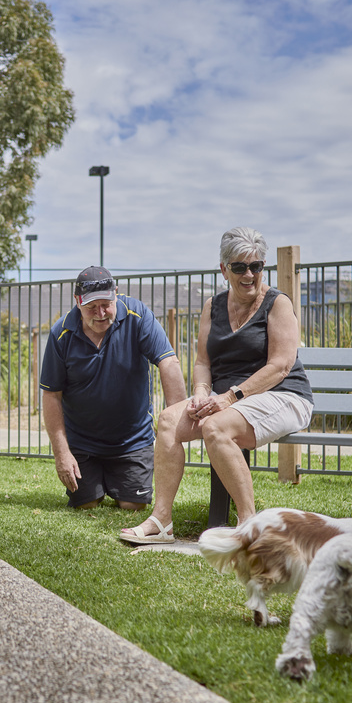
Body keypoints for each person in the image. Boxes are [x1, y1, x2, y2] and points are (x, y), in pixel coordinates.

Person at [120, 227, 314, 544]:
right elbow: (202, 362)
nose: (249, 274)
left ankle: (249, 525)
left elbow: (280, 366)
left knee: (216, 427)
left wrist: (227, 398)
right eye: (240, 267)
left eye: (257, 266)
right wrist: (200, 394)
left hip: (282, 395)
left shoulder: (277, 304)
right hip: (228, 398)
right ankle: (161, 521)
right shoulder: (213, 306)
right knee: (169, 419)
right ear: (224, 269)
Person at [40, 266, 186, 511]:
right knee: (87, 504)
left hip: (131, 440)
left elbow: (168, 362)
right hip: (83, 443)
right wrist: (62, 454)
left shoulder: (138, 316)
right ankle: (93, 483)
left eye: (106, 304)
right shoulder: (61, 333)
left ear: (116, 294)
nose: (100, 313)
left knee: (132, 505)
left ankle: (122, 482)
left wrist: (178, 422)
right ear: (77, 302)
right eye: (90, 307)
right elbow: (51, 395)